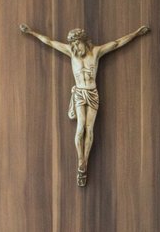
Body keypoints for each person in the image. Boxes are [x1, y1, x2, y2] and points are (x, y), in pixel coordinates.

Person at [20, 21, 150, 185]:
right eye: (72, 44)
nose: (75, 47)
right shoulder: (71, 52)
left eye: (77, 43)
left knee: (90, 128)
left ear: (83, 40)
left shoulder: (96, 52)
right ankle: (80, 160)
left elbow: (117, 43)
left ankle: (85, 162)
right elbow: (50, 42)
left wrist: (136, 33)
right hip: (80, 93)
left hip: (92, 93)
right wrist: (31, 32)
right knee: (80, 127)